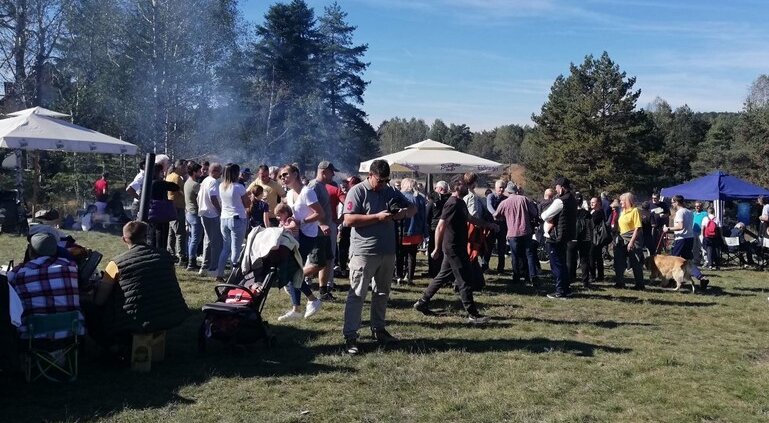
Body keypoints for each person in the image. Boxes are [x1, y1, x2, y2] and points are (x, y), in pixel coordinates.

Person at [341, 159, 415, 354]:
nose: (383, 184)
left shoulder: (389, 191)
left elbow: (412, 208)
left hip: (387, 251)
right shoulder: (357, 191)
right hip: (364, 252)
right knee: (357, 295)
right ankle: (350, 336)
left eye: (386, 180)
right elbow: (348, 220)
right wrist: (377, 217)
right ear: (370, 175)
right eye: (380, 180)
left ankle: (379, 329)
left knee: (382, 293)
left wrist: (402, 214)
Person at [86, 221, 187, 351]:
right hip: (170, 313)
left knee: (90, 308)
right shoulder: (165, 256)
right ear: (146, 236)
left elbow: (100, 300)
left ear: (123, 239)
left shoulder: (116, 264)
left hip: (134, 320)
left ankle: (110, 346)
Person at [414, 174, 497, 323]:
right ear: (458, 186)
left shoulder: (460, 203)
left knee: (441, 276)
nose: (469, 187)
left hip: (456, 246)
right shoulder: (452, 203)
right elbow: (440, 226)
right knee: (464, 280)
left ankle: (422, 302)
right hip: (453, 247)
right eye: (465, 185)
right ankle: (473, 315)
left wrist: (488, 224)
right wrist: (436, 248)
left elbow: (471, 219)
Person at [8, 233, 84, 339]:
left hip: (32, 338)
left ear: (30, 250)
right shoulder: (71, 267)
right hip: (72, 335)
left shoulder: (18, 273)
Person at [278, 164, 324, 321]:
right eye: (281, 176)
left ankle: (309, 301)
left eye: (285, 174)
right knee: (294, 271)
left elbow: (319, 213)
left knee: (293, 271)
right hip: (294, 236)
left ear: (296, 174)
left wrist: (301, 221)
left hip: (307, 236)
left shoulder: (307, 192)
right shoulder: (289, 193)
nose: (283, 177)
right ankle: (300, 306)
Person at [494, 182, 539, 287]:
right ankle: (533, 276)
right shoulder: (524, 199)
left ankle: (516, 277)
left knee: (515, 255)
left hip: (513, 233)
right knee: (529, 255)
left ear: (508, 191)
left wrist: (503, 217)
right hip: (526, 231)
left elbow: (496, 215)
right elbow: (534, 213)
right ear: (516, 190)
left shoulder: (504, 203)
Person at [307, 161, 339, 301]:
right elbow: (310, 208)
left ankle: (323, 291)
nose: (333, 175)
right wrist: (321, 224)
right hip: (317, 231)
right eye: (332, 172)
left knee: (327, 260)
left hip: (325, 230)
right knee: (317, 263)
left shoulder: (323, 186)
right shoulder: (313, 186)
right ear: (324, 171)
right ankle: (293, 280)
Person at [663, 195, 710, 290]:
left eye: (673, 202)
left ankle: (671, 282)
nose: (672, 204)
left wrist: (668, 229)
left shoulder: (680, 212)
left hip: (681, 239)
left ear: (677, 202)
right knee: (688, 262)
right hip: (689, 238)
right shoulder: (689, 212)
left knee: (673, 261)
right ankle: (701, 278)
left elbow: (680, 226)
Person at [541, 177, 577, 299]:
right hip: (566, 235)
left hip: (555, 236)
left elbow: (545, 215)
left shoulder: (560, 201)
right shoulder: (572, 199)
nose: (556, 190)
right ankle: (566, 289)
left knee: (556, 265)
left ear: (561, 188)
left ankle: (560, 290)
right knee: (562, 263)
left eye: (556, 187)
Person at [215, 163, 250, 283]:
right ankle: (234, 275)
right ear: (235, 173)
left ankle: (219, 273)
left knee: (225, 248)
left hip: (224, 218)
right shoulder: (239, 187)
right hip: (237, 218)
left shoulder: (221, 186)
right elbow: (247, 204)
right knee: (236, 249)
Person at [396, 178, 428, 285]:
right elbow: (424, 217)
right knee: (412, 256)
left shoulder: (399, 197)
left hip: (401, 230)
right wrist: (425, 232)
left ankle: (399, 276)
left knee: (399, 255)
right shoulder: (420, 198)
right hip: (416, 231)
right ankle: (409, 278)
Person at [613, 193, 645, 290]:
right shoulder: (622, 211)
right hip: (621, 238)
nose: (620, 202)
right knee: (618, 261)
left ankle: (639, 285)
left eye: (622, 200)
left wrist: (631, 242)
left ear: (627, 201)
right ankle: (620, 282)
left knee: (635, 262)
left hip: (632, 238)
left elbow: (637, 228)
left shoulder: (635, 211)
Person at [197, 162, 223, 277]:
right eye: (220, 171)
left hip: (203, 212)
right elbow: (213, 197)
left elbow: (198, 197)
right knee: (216, 242)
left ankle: (204, 267)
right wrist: (219, 210)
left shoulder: (205, 180)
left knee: (207, 240)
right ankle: (213, 268)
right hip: (212, 214)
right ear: (215, 171)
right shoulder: (213, 181)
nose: (221, 174)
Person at [148, 163, 180, 251]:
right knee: (161, 233)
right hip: (159, 212)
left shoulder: (147, 182)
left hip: (150, 212)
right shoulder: (159, 183)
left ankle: (153, 250)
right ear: (158, 172)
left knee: (152, 233)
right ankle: (160, 251)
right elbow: (175, 187)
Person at [567, 192, 592, 289]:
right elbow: (591, 226)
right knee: (584, 261)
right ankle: (585, 282)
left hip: (572, 239)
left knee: (570, 260)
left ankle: (569, 280)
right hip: (585, 239)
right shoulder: (587, 213)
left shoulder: (569, 212)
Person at [426, 180, 450, 277]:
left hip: (434, 228)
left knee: (433, 249)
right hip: (446, 228)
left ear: (440, 189)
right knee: (443, 251)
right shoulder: (449, 201)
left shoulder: (432, 201)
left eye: (436, 188)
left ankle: (432, 271)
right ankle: (442, 271)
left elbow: (427, 215)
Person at [166, 159, 188, 266]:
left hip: (171, 207)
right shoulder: (177, 178)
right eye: (184, 167)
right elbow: (181, 192)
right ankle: (181, 257)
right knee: (180, 233)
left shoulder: (170, 175)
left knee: (171, 233)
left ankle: (170, 253)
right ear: (179, 167)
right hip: (177, 207)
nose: (186, 169)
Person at [184, 161, 203, 271]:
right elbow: (201, 199)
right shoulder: (196, 185)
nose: (201, 173)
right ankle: (191, 263)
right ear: (194, 172)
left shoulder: (187, 182)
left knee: (191, 238)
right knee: (195, 239)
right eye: (199, 171)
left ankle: (190, 258)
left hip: (189, 213)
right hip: (195, 214)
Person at [485, 180, 508, 274]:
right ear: (495, 188)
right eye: (500, 187)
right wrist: (495, 214)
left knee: (501, 248)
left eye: (503, 187)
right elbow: (489, 206)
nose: (502, 189)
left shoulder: (506, 198)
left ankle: (500, 269)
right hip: (491, 225)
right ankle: (485, 266)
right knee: (489, 246)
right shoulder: (491, 196)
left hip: (502, 225)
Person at [588, 197, 606, 282]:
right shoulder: (591, 211)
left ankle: (593, 276)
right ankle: (599, 275)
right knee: (597, 257)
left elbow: (591, 222)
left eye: (593, 202)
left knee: (593, 256)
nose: (591, 204)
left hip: (596, 238)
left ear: (598, 203)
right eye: (591, 202)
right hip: (592, 237)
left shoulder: (599, 212)